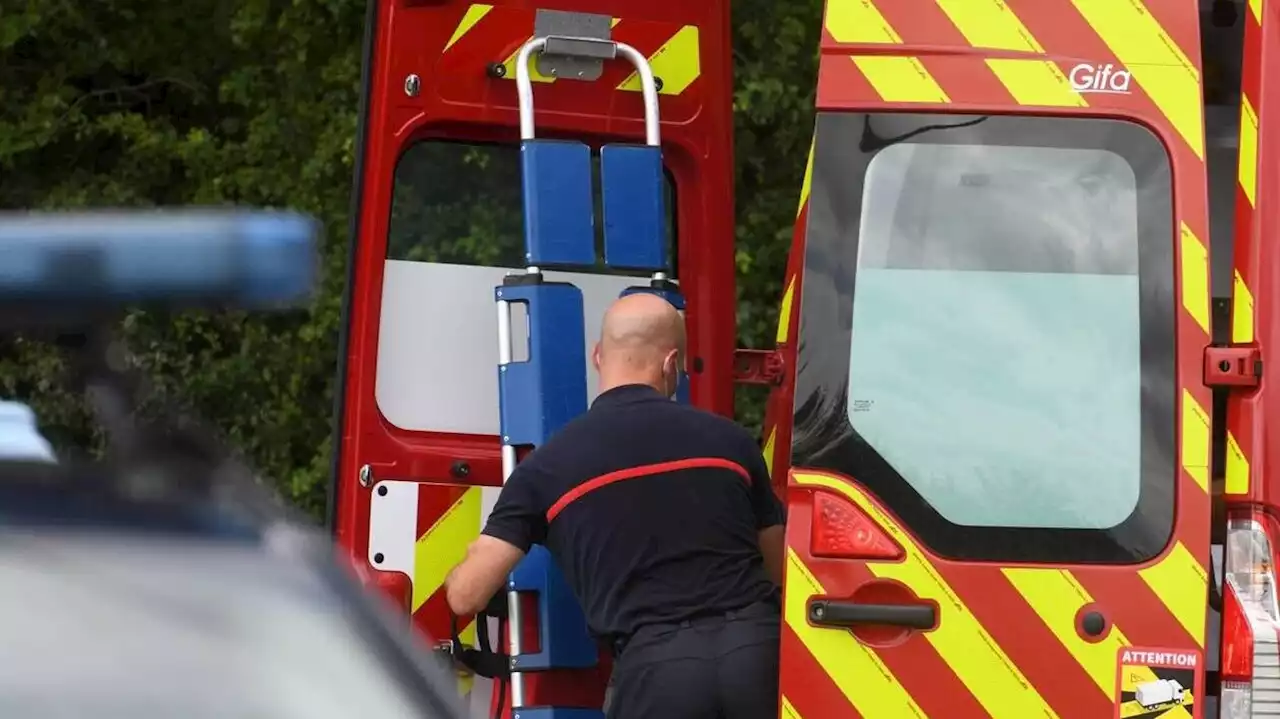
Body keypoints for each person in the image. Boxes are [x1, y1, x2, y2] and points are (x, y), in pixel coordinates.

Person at [445, 292, 786, 719]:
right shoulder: (730, 442)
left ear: (597, 356)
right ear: (670, 364)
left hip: (656, 675)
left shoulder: (548, 467)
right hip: (759, 658)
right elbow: (778, 569)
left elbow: (468, 594)